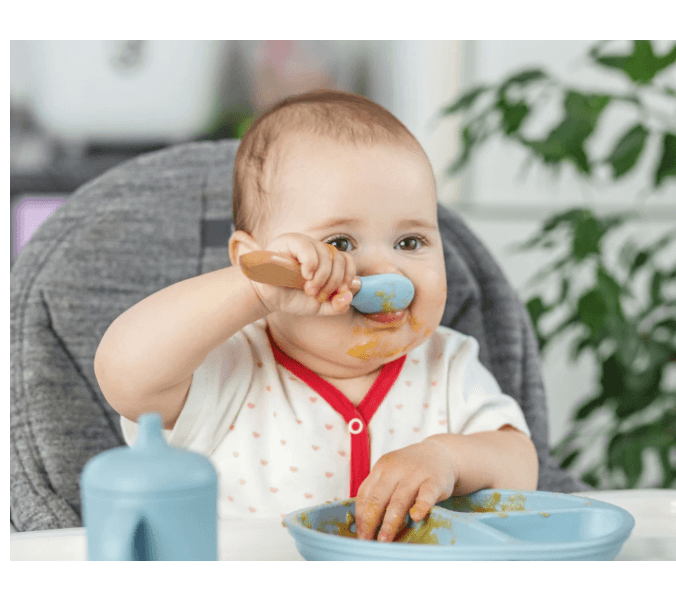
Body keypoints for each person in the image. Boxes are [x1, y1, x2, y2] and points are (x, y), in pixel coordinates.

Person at [94, 89, 539, 543]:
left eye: (410, 242)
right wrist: (255, 288)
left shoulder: (448, 364)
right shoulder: (228, 366)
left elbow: (521, 465)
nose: (387, 272)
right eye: (340, 244)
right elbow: (125, 376)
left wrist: (446, 458)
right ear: (253, 258)